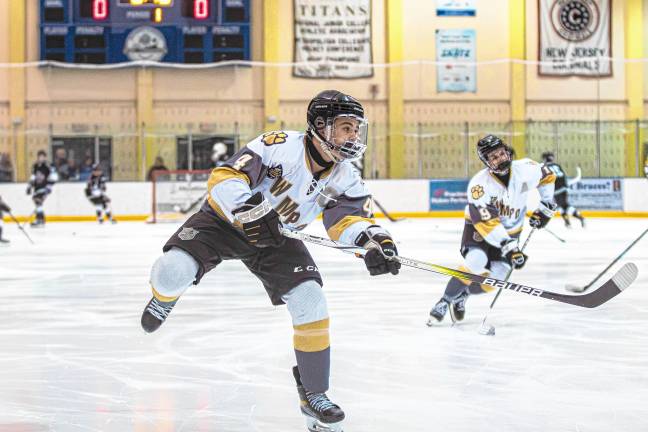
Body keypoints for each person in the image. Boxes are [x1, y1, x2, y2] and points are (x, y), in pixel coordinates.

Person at [139, 90, 400, 432]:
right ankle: (163, 298)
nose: (353, 137)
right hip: (225, 222)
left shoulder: (346, 176)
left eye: (356, 130)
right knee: (172, 272)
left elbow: (344, 223)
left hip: (279, 238)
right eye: (345, 128)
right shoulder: (277, 145)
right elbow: (224, 177)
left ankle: (314, 393)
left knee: (311, 301)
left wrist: (373, 241)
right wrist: (249, 208)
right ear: (320, 126)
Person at [427, 135, 556, 325]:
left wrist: (545, 206)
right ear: (486, 162)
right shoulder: (479, 186)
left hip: (511, 232)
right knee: (476, 261)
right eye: (493, 157)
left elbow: (548, 177)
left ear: (507, 152)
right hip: (479, 229)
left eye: (502, 153)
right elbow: (488, 224)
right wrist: (510, 248)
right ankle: (444, 301)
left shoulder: (526, 169)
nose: (500, 159)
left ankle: (463, 295)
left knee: (500, 275)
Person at [541, 151, 585, 228]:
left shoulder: (543, 167)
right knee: (562, 205)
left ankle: (578, 218)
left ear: (545, 159)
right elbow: (563, 176)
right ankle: (569, 221)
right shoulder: (557, 165)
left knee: (563, 206)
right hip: (564, 188)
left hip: (556, 189)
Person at [26, 150, 57, 228]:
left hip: (44, 187)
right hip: (37, 187)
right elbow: (33, 176)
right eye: (40, 157)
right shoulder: (35, 165)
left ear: (45, 157)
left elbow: (54, 176)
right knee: (37, 202)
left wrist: (49, 186)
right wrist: (29, 186)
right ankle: (40, 219)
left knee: (37, 200)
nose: (41, 158)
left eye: (43, 157)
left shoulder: (49, 165)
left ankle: (40, 219)